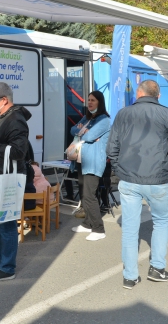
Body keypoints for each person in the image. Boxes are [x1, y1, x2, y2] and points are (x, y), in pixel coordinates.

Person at [107, 80, 168, 289]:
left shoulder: (123, 114)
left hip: (129, 179)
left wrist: (119, 169)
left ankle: (130, 277)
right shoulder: (167, 115)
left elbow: (111, 147)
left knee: (130, 229)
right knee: (161, 222)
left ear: (138, 94)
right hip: (157, 180)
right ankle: (157, 269)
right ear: (157, 96)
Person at [0, 82, 30, 282]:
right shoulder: (4, 116)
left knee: (6, 223)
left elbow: (19, 152)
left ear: (4, 100)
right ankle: (0, 258)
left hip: (6, 179)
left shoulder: (16, 119)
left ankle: (7, 267)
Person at [69, 90, 110, 241]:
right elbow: (73, 129)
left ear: (100, 102)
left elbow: (90, 136)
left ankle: (99, 229)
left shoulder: (103, 120)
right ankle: (87, 224)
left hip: (93, 161)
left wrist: (84, 132)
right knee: (84, 194)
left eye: (93, 100)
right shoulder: (88, 118)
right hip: (82, 160)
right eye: (88, 100)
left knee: (90, 195)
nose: (89, 102)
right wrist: (83, 131)